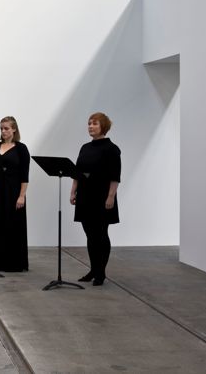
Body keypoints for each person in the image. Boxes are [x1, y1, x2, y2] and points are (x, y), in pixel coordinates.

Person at [70, 112, 121, 286]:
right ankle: (93, 269)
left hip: (102, 196)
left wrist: (111, 197)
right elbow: (77, 172)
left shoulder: (112, 149)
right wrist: (73, 191)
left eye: (95, 124)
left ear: (103, 127)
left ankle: (101, 272)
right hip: (85, 195)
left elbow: (115, 176)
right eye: (89, 123)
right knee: (90, 234)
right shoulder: (85, 147)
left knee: (100, 234)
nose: (91, 126)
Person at [0, 116, 30, 272]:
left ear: (14, 129)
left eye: (6, 128)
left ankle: (14, 263)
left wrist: (22, 195)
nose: (3, 131)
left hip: (14, 191)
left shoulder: (21, 148)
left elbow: (25, 174)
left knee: (13, 225)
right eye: (1, 128)